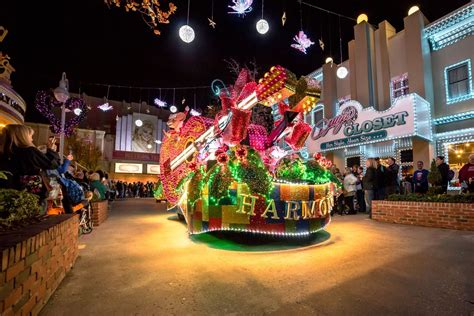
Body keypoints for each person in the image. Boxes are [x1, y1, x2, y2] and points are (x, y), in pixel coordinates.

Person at [0, 124, 59, 198]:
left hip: (12, 193)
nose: (32, 139)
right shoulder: (29, 151)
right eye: (30, 136)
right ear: (22, 137)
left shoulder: (6, 152)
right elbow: (52, 164)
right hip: (32, 195)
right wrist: (51, 151)